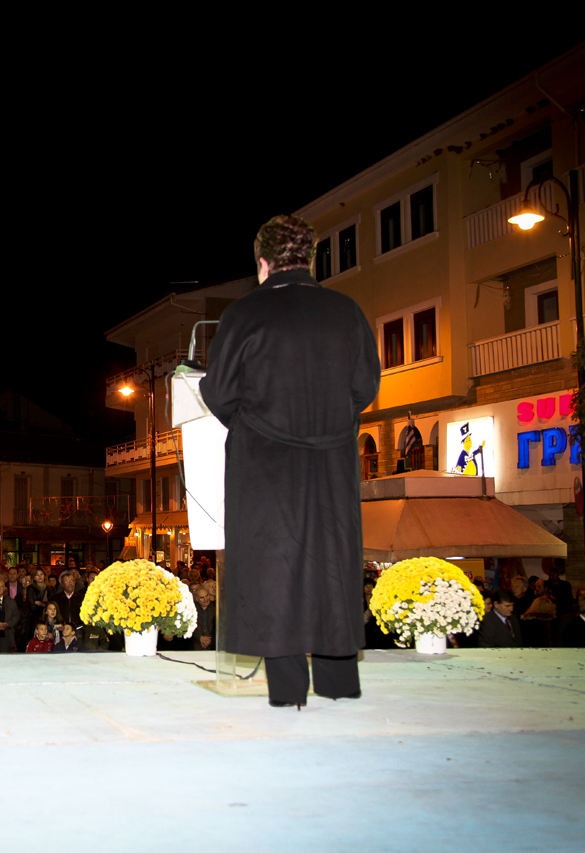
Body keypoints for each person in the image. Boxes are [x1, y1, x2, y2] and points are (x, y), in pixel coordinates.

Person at [199, 214, 380, 708]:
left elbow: (220, 391)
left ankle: (288, 691)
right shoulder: (346, 311)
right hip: (332, 461)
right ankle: (339, 686)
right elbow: (365, 386)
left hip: (264, 464)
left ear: (263, 263)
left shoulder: (244, 314)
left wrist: (254, 419)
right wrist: (331, 419)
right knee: (331, 562)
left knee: (272, 563)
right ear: (310, 259)